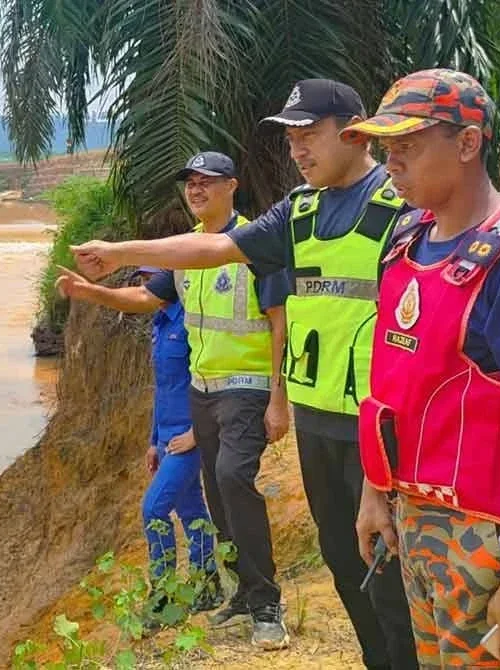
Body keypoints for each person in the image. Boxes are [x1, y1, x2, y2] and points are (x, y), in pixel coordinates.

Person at [70, 80, 419, 669]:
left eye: (309, 135)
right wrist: (123, 252)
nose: (298, 151)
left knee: (386, 566)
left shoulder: (400, 205)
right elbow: (212, 248)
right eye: (291, 140)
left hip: (379, 423)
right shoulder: (299, 210)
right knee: (340, 556)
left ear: (355, 130)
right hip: (318, 418)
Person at [346, 68, 500, 669]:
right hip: (418, 525)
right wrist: (378, 491)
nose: (391, 163)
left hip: (494, 536)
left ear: (469, 143)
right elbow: (398, 387)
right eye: (386, 149)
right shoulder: (407, 242)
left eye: (408, 146)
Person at [56, 151, 292, 650]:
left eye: (207, 182)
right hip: (202, 389)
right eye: (190, 182)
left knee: (233, 478)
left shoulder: (255, 243)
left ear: (233, 185)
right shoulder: (184, 254)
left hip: (246, 386)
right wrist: (90, 293)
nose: (196, 189)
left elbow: (278, 321)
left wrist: (278, 397)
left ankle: (268, 605)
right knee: (217, 492)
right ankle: (242, 593)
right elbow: (146, 300)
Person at [121, 266, 221, 625]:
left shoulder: (191, 323)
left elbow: (209, 378)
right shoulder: (160, 323)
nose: (143, 287)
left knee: (153, 510)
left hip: (188, 438)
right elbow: (163, 388)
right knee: (193, 511)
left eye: (149, 280)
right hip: (166, 438)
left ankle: (162, 595)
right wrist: (152, 441)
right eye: (139, 282)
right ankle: (207, 584)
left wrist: (198, 431)